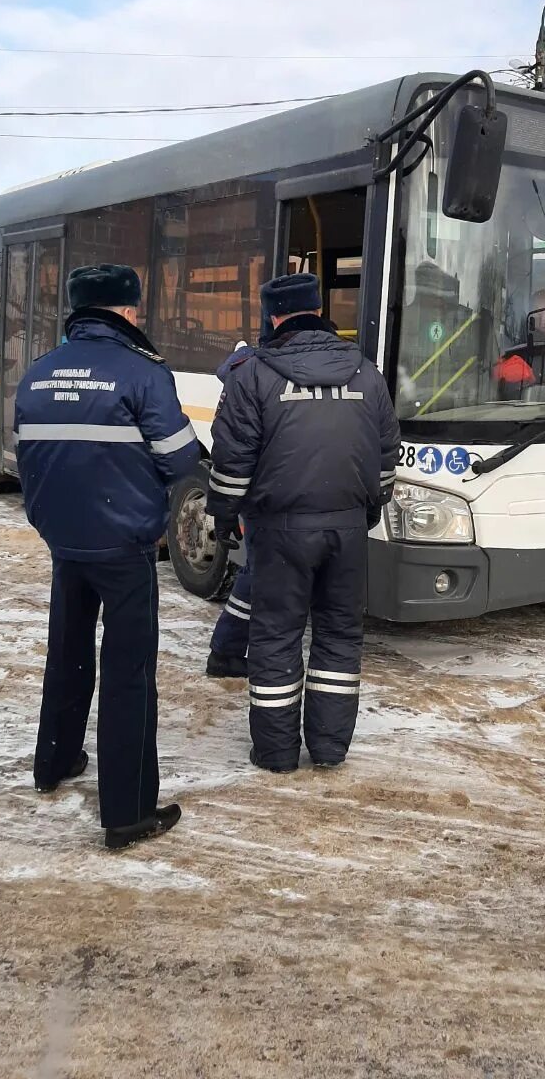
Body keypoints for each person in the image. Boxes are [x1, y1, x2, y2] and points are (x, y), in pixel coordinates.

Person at [14, 264, 201, 851]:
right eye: (136, 309)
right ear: (124, 312)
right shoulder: (142, 373)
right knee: (129, 673)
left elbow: (29, 458)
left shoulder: (38, 373)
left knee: (67, 653)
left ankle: (55, 762)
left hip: (64, 541)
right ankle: (128, 812)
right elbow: (179, 459)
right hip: (124, 547)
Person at [206, 272, 400, 773]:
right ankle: (330, 749)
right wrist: (368, 510)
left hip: (279, 531)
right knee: (339, 635)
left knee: (275, 636)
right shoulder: (366, 373)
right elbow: (384, 459)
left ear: (274, 317)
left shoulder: (253, 376)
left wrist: (224, 520)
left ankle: (276, 753)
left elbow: (231, 464)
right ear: (319, 311)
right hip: (348, 528)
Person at [204, 313, 274, 680]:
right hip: (262, 492)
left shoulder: (241, 372)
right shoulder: (255, 374)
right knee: (257, 574)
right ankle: (227, 651)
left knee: (256, 572)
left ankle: (228, 650)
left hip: (252, 490)